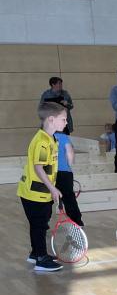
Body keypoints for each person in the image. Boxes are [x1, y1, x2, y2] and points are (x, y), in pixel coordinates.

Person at [17, 102, 67, 273]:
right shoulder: (42, 142)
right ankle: (41, 259)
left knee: (39, 225)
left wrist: (53, 187)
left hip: (42, 193)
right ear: (51, 119)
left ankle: (36, 253)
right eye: (64, 119)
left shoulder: (51, 138)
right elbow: (39, 168)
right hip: (34, 193)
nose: (66, 122)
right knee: (39, 226)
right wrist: (52, 189)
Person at [53, 128, 84, 228]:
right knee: (69, 198)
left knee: (47, 200)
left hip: (49, 174)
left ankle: (43, 224)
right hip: (64, 173)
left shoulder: (45, 137)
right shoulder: (64, 137)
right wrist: (69, 165)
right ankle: (77, 222)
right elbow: (70, 154)